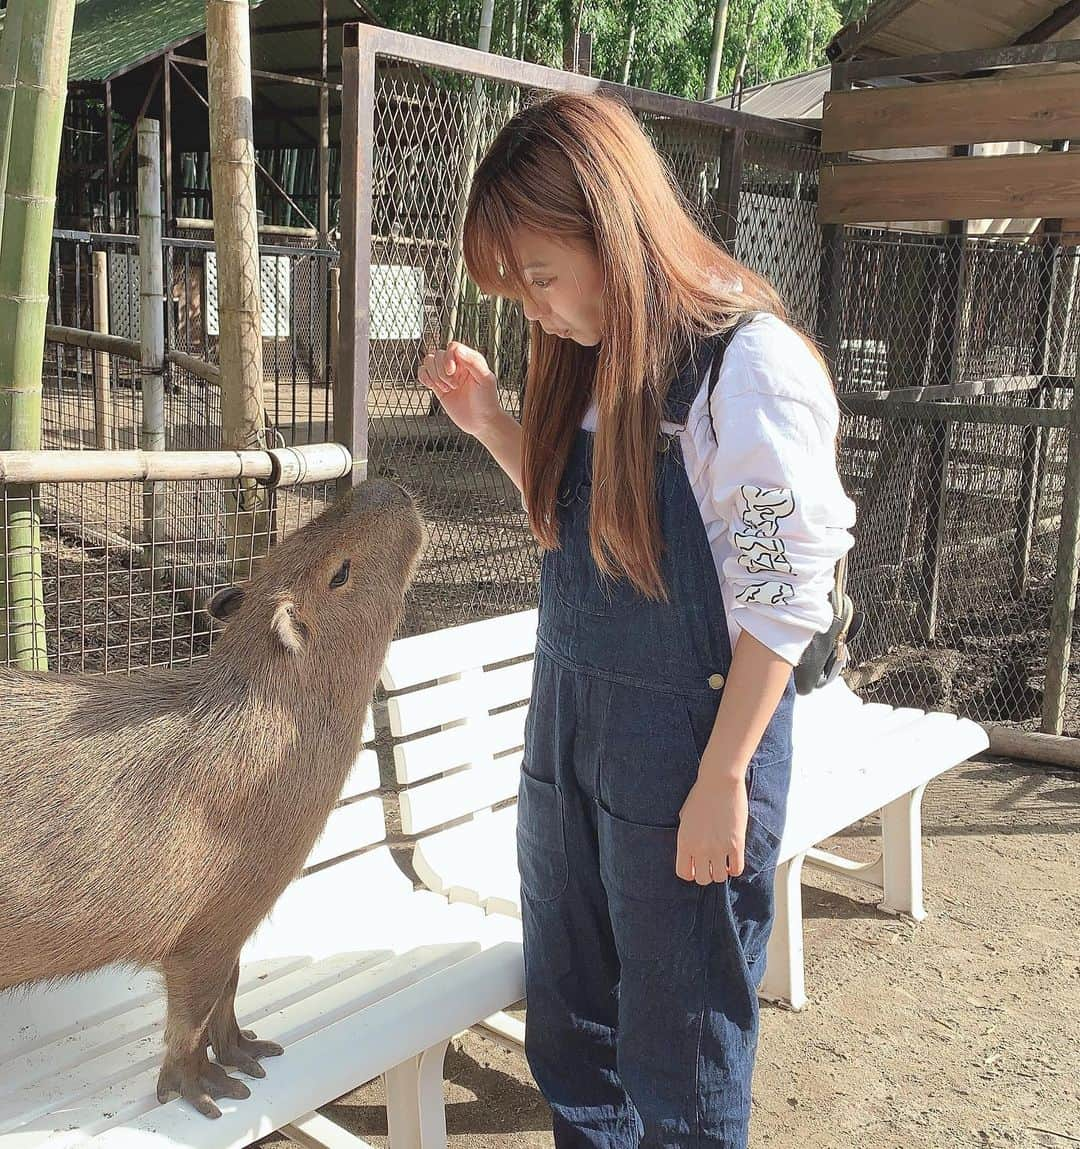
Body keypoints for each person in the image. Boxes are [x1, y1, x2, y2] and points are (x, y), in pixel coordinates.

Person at [417, 92, 856, 1149]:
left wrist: (723, 777)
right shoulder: (594, 358)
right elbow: (586, 518)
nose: (534, 310)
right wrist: (490, 422)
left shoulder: (744, 373)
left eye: (542, 278)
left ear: (611, 225)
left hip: (692, 753)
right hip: (568, 741)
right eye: (515, 289)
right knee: (573, 1033)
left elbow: (780, 596)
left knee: (680, 1049)